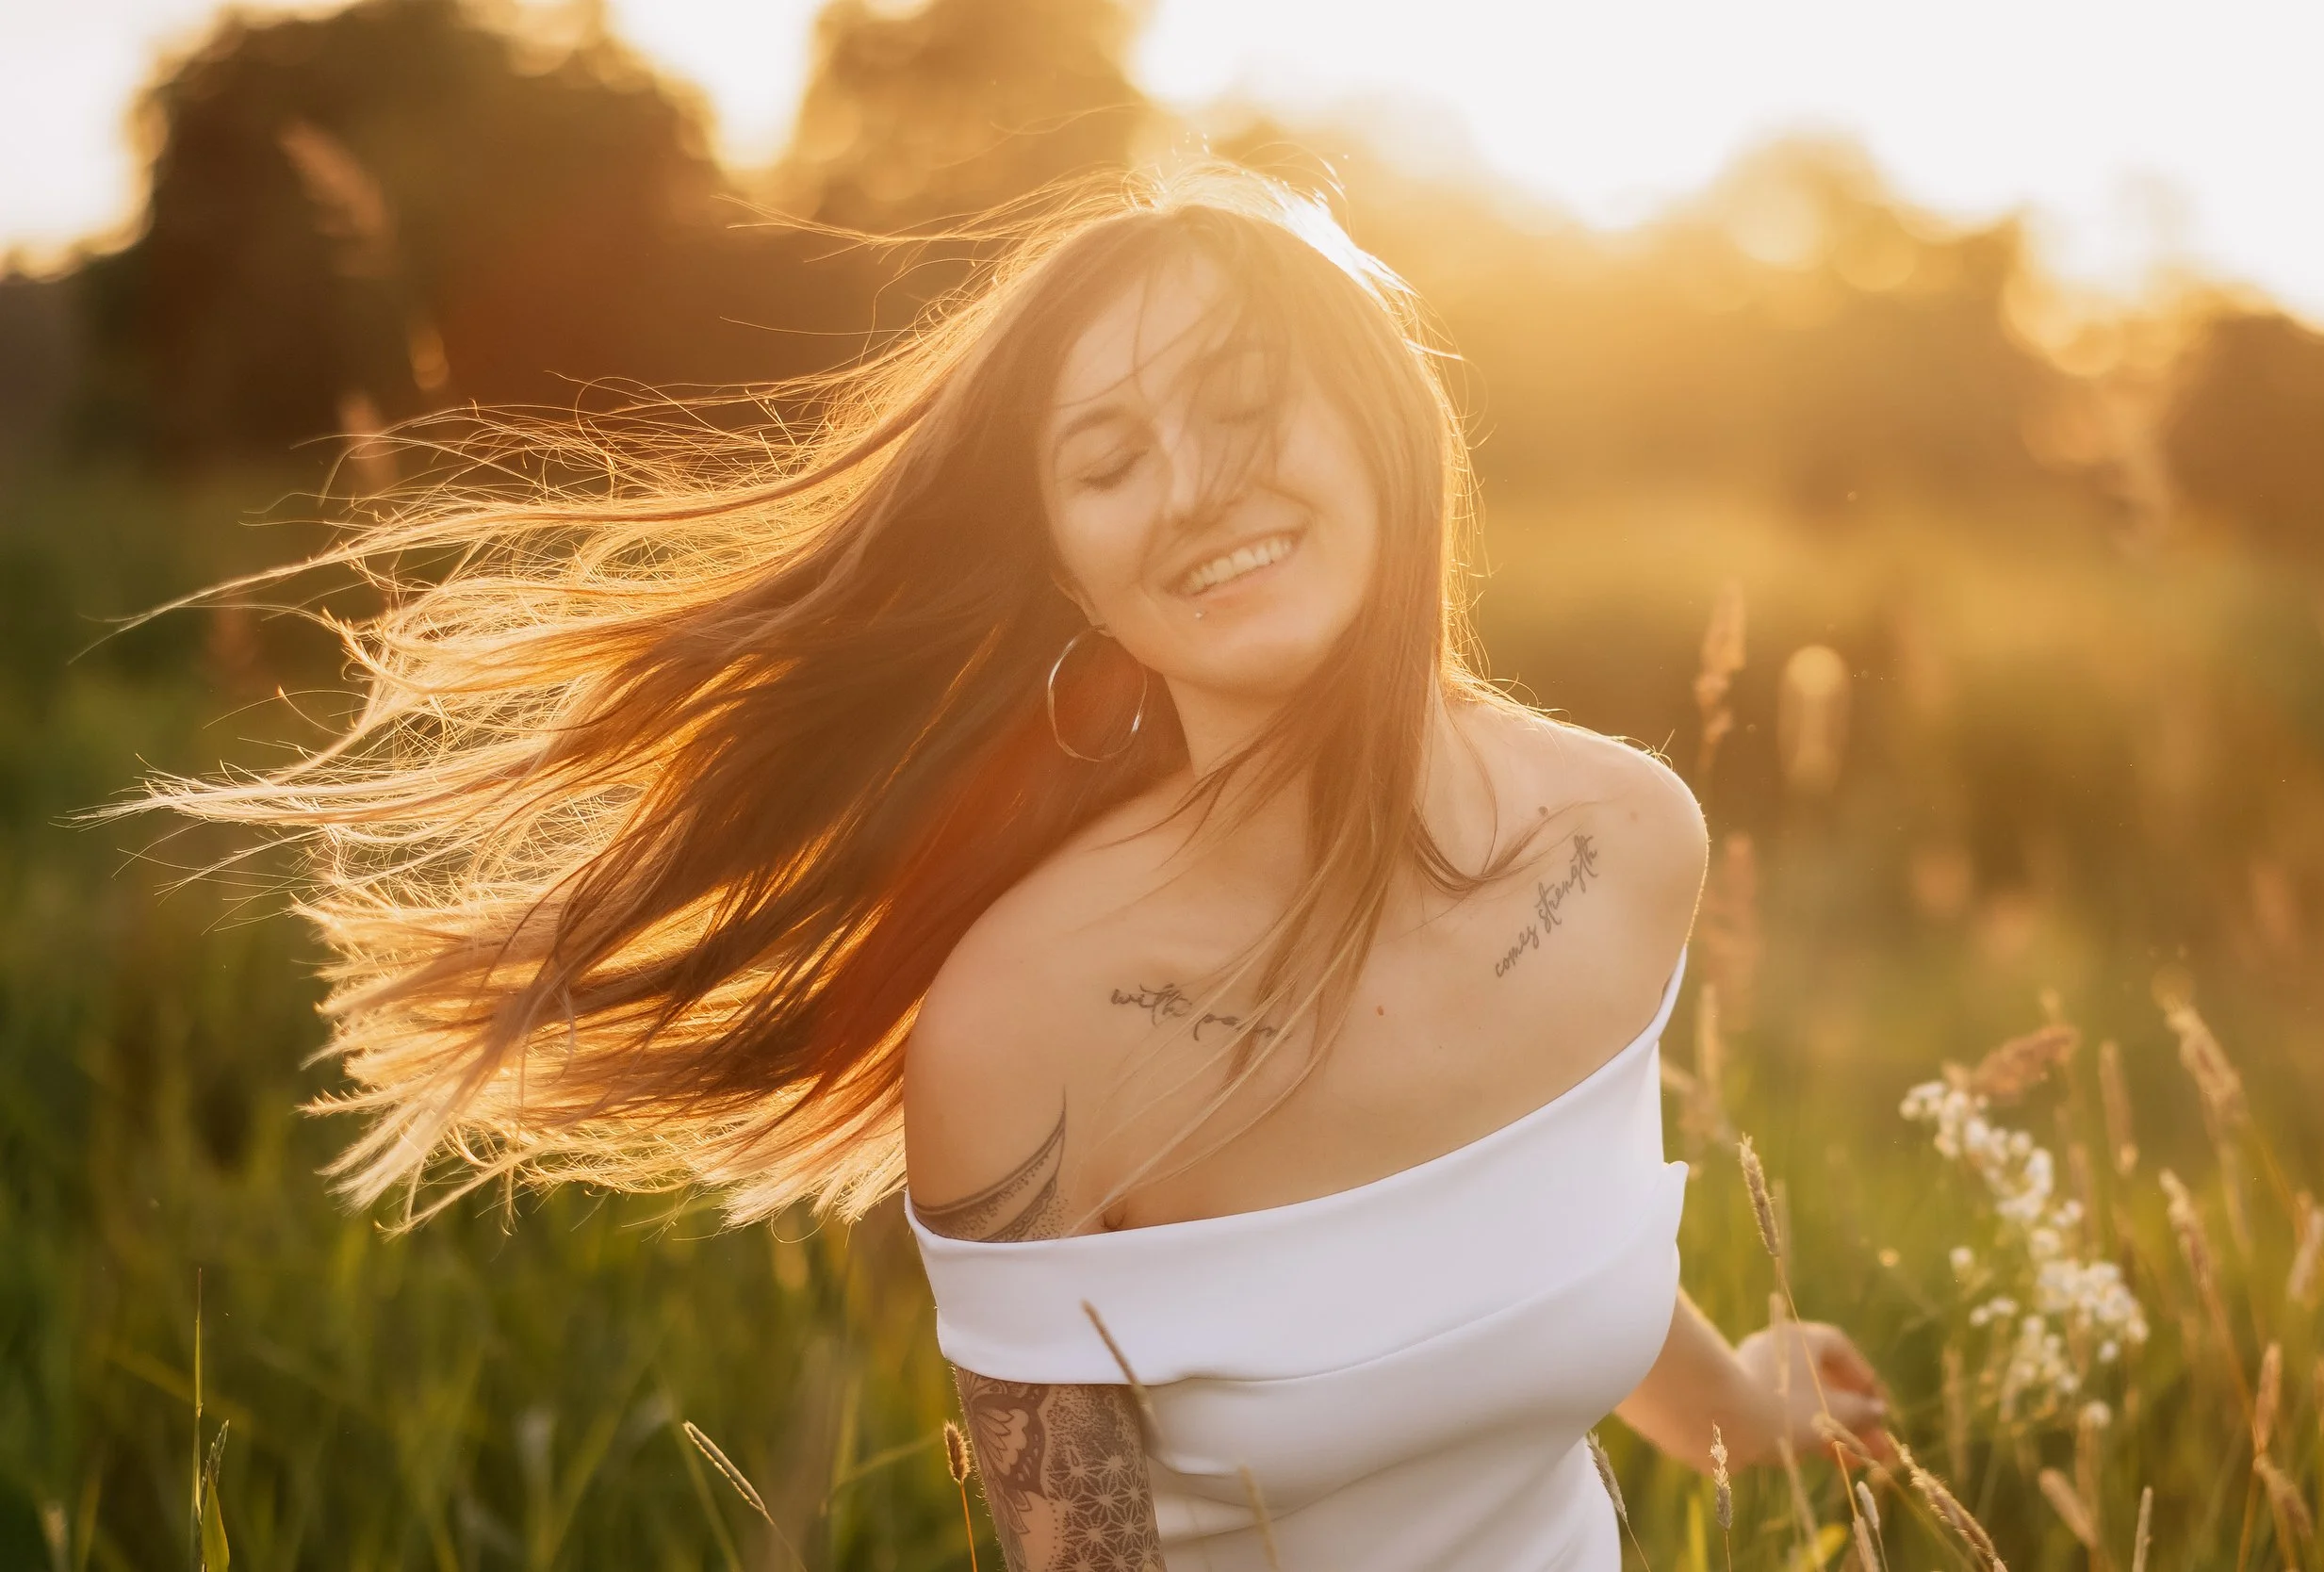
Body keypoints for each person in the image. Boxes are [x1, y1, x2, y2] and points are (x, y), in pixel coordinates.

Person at [139, 165, 1889, 1570]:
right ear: (1069, 568)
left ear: (1385, 428)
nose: (1195, 488)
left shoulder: (1619, 843)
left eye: (1242, 405)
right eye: (1109, 462)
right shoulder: (1023, 1034)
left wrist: (1741, 1400)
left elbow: (1541, 1228)